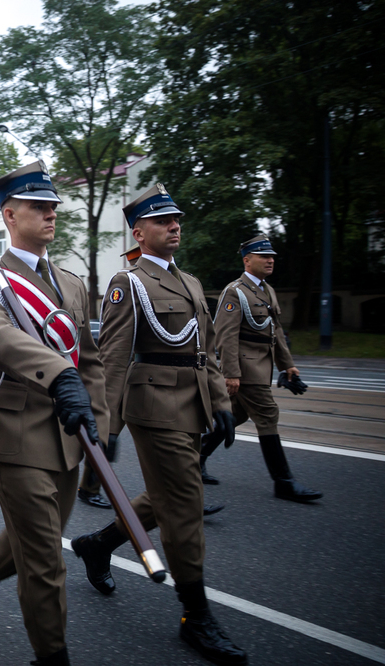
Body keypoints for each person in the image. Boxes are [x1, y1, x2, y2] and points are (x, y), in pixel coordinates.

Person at [0, 162, 106, 665]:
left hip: (69, 431)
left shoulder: (72, 284)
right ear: (9, 215)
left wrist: (102, 420)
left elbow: (90, 359)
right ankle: (51, 657)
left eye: (53, 205)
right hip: (13, 430)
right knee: (46, 560)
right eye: (38, 206)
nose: (51, 213)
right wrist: (59, 375)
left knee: (36, 537)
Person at [76, 184, 246, 665]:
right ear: (139, 232)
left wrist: (220, 404)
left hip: (191, 406)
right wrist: (105, 423)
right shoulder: (127, 283)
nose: (174, 226)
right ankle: (196, 617)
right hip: (153, 407)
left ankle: (98, 544)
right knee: (185, 506)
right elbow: (110, 359)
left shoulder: (190, 283)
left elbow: (204, 351)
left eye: (177, 220)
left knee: (168, 494)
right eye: (162, 221)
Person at [205, 234, 322, 502]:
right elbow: (225, 335)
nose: (270, 260)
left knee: (236, 416)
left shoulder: (267, 290)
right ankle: (284, 482)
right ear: (247, 260)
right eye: (264, 256)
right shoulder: (235, 291)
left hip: (263, 366)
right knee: (268, 415)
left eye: (272, 257)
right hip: (246, 369)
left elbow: (275, 333)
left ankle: (197, 457)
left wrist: (288, 365)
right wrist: (230, 372)